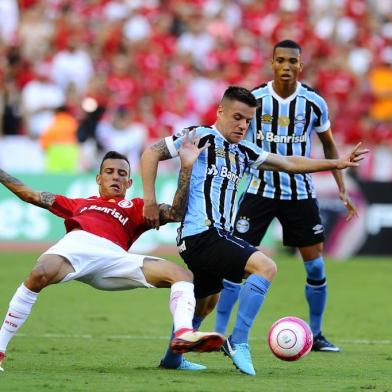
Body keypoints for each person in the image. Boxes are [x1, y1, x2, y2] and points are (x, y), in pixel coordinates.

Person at [141, 86, 368, 376]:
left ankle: (173, 358)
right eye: (237, 117)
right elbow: (151, 153)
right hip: (201, 234)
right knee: (265, 266)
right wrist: (149, 200)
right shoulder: (198, 136)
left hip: (215, 236)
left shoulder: (245, 151)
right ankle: (238, 342)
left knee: (206, 302)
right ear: (220, 112)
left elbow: (289, 163)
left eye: (248, 120)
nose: (243, 125)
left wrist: (335, 162)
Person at [0, 134, 225, 373]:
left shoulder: (138, 207)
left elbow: (177, 213)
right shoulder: (79, 204)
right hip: (78, 246)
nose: (115, 176)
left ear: (129, 183)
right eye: (109, 171)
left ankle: (183, 334)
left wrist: (186, 167)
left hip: (114, 259)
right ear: (98, 178)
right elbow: (31, 194)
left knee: (181, 274)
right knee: (39, 273)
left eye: (121, 173)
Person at [215, 39, 357, 353]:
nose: (287, 67)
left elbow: (329, 146)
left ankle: (316, 334)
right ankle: (218, 335)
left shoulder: (313, 102)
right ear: (273, 63)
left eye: (293, 61)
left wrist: (342, 187)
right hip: (258, 191)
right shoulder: (256, 99)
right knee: (234, 264)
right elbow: (234, 137)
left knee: (316, 267)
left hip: (300, 194)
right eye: (281, 60)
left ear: (300, 65)